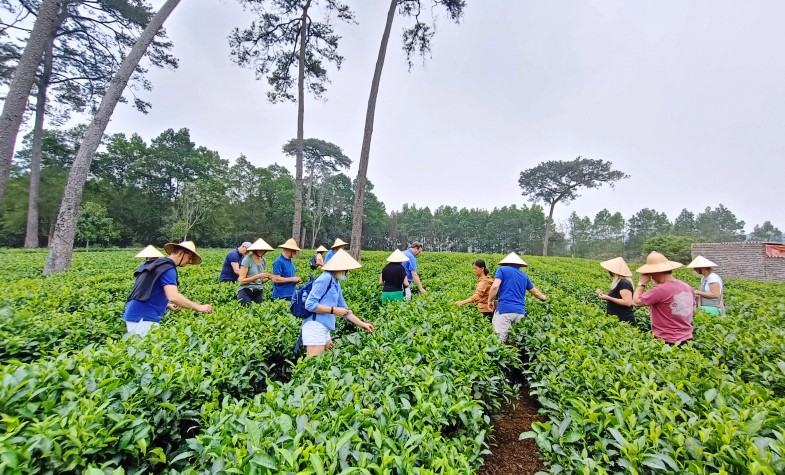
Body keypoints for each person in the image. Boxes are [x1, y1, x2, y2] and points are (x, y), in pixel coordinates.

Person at [123, 241, 213, 336]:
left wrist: (167, 305)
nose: (189, 261)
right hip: (144, 318)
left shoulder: (157, 264)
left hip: (134, 314)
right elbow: (173, 296)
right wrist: (199, 307)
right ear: (181, 253)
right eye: (189, 257)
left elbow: (147, 290)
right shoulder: (168, 269)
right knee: (145, 348)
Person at [303, 249, 374, 357]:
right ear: (339, 268)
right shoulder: (325, 278)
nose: (348, 273)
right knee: (313, 365)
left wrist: (362, 324)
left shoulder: (335, 281)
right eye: (346, 270)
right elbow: (310, 304)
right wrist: (334, 310)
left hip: (324, 327)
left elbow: (344, 309)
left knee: (329, 358)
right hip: (314, 326)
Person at [632, 252, 695, 345]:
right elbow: (693, 311)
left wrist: (642, 283)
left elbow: (635, 302)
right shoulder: (687, 287)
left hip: (667, 340)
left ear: (654, 272)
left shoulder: (659, 290)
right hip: (688, 339)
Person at [487, 252, 547, 342]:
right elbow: (535, 292)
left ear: (505, 263)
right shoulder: (524, 276)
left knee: (499, 341)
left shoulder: (502, 270)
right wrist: (544, 298)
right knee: (515, 341)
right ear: (519, 265)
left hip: (505, 310)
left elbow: (495, 286)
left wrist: (490, 300)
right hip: (520, 313)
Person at [596, 257, 636, 325]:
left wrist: (608, 297)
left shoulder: (624, 283)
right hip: (616, 317)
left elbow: (627, 302)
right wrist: (604, 295)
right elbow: (617, 297)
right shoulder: (619, 282)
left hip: (623, 319)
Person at [237, 238, 274, 305]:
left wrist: (268, 278)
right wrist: (258, 276)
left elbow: (260, 281)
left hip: (258, 291)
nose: (261, 251)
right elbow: (241, 281)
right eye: (259, 249)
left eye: (263, 249)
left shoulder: (263, 260)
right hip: (245, 290)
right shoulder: (247, 259)